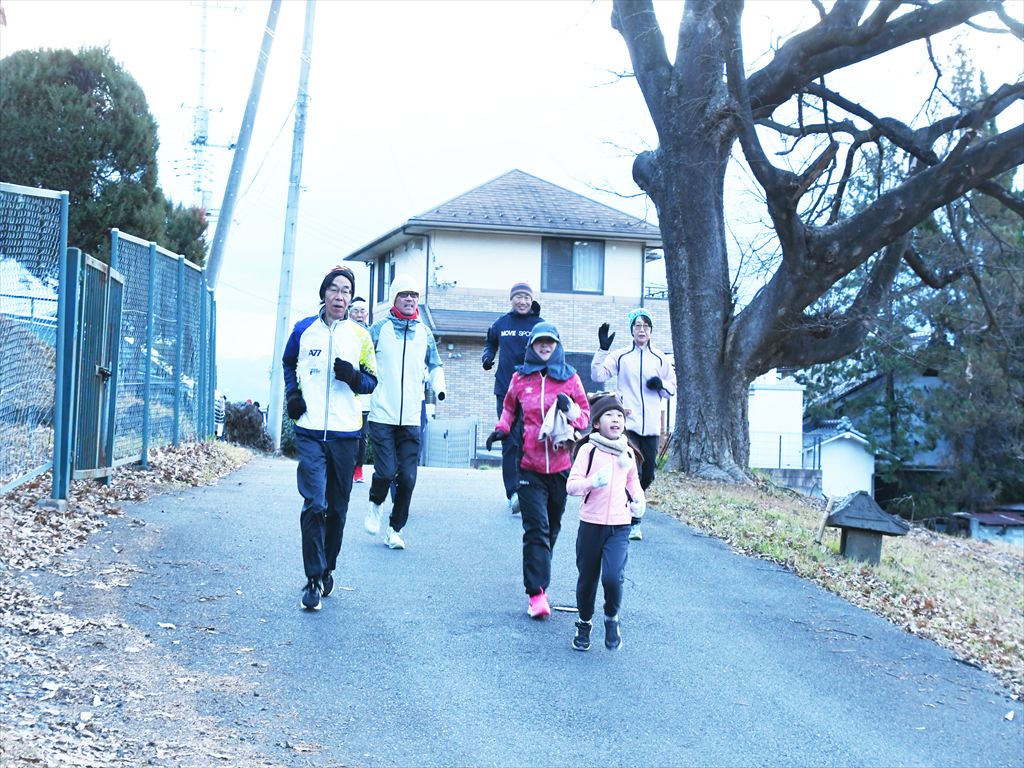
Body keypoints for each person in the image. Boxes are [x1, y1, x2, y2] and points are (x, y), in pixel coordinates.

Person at [283, 266, 378, 611]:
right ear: (324, 293)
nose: (340, 297)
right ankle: (311, 579)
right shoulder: (302, 330)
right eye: (334, 290)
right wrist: (293, 396)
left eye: (346, 291)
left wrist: (353, 377)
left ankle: (327, 568)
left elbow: (371, 381)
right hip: (309, 431)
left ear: (351, 298)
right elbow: (288, 363)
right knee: (315, 504)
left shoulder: (360, 336)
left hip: (346, 434)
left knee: (337, 509)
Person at [486, 322, 590, 619]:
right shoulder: (520, 377)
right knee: (536, 529)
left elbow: (584, 417)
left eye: (550, 343)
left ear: (557, 346)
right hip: (528, 465)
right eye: (540, 343)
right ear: (531, 346)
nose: (545, 347)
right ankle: (536, 593)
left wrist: (569, 410)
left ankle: (539, 574)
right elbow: (509, 409)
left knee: (552, 528)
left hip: (560, 467)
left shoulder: (570, 378)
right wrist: (501, 429)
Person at [363, 275, 446, 550]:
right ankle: (375, 505)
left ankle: (394, 529)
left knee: (408, 478)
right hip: (382, 414)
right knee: (386, 472)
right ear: (394, 299)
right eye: (404, 294)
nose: (410, 299)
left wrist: (440, 387)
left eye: (414, 295)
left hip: (411, 416)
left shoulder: (424, 332)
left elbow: (435, 364)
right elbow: (360, 357)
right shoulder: (379, 329)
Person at [566, 393, 646, 651]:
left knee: (612, 576)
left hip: (620, 525)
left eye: (620, 416)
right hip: (590, 524)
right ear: (597, 423)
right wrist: (592, 482)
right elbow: (571, 486)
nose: (616, 419)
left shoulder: (628, 452)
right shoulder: (588, 450)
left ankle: (611, 617)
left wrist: (639, 500)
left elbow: (632, 480)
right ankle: (584, 622)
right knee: (587, 579)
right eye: (609, 415)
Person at [591, 308, 675, 541]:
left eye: (645, 326)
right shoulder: (621, 355)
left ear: (650, 330)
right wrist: (602, 349)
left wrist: (661, 385)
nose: (641, 329)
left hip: (650, 427)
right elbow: (598, 375)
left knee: (647, 475)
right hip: (627, 423)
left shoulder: (660, 358)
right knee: (631, 470)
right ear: (631, 330)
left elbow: (672, 388)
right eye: (637, 325)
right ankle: (632, 521)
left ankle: (629, 508)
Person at [482, 281, 544, 514]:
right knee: (509, 441)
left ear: (532, 300)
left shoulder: (540, 325)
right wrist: (487, 357)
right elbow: (490, 343)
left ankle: (530, 488)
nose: (523, 301)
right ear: (511, 299)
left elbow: (551, 352)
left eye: (526, 297)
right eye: (518, 297)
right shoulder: (501, 323)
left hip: (533, 392)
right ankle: (513, 493)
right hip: (505, 391)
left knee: (529, 441)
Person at [347, 296, 371, 483]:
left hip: (365, 394)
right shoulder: (343, 332)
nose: (359, 314)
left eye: (363, 311)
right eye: (356, 311)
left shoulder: (372, 334)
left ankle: (358, 469)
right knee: (346, 432)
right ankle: (345, 467)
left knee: (362, 434)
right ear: (349, 313)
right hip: (345, 391)